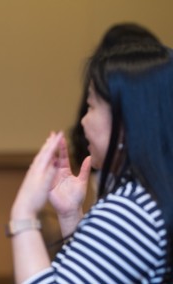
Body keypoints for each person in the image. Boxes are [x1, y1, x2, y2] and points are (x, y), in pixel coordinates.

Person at [9, 26, 173, 283]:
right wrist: (70, 214)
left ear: (125, 123)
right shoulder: (148, 199)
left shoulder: (131, 211)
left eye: (91, 106)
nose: (83, 121)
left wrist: (23, 214)